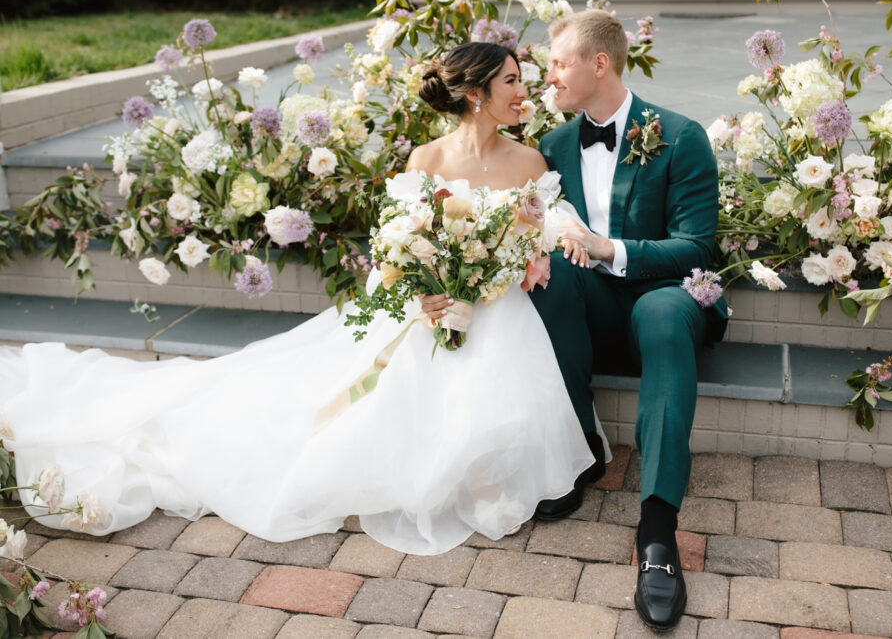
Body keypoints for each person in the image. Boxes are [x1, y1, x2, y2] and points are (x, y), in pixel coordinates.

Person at [0, 42, 602, 557]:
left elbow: (536, 233)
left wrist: (526, 259)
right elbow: (401, 239)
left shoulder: (528, 160)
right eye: (512, 81)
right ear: (475, 92)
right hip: (430, 304)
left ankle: (481, 466)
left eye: (522, 81)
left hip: (496, 307)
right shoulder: (428, 159)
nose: (524, 92)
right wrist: (425, 291)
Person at [527, 10, 729, 630]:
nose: (549, 76)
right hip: (591, 304)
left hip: (664, 294)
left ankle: (658, 532)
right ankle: (582, 449)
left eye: (558, 63)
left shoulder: (680, 134)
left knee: (667, 315)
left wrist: (610, 247)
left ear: (599, 63)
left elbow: (697, 247)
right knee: (546, 273)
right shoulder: (554, 147)